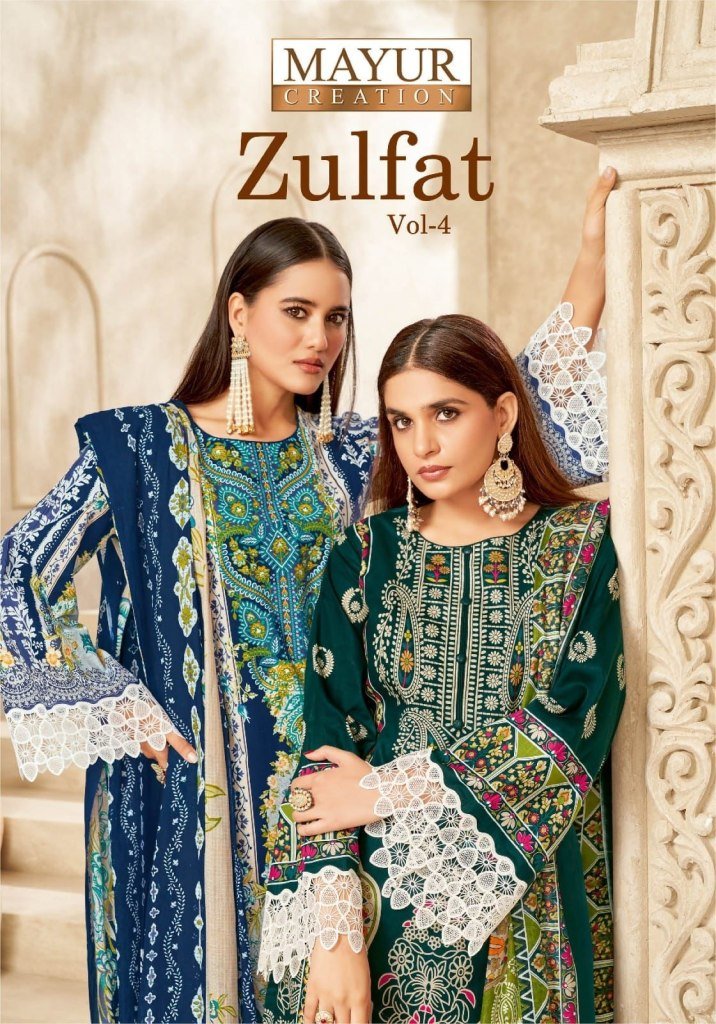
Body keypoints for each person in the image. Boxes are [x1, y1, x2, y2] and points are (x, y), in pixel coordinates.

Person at [0, 171, 615, 1024]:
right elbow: (20, 569)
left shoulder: (351, 453)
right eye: (296, 311)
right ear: (238, 312)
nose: (320, 338)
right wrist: (116, 701)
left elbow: (508, 410)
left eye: (337, 318)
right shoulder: (140, 448)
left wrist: (592, 267)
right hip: (192, 794)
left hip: (332, 792)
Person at [259, 306, 625, 1024]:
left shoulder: (579, 547)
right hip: (374, 908)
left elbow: (572, 726)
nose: (421, 444)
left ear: (503, 414)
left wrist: (385, 791)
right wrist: (334, 935)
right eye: (401, 421)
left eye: (446, 413)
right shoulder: (364, 556)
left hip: (522, 913)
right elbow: (326, 744)